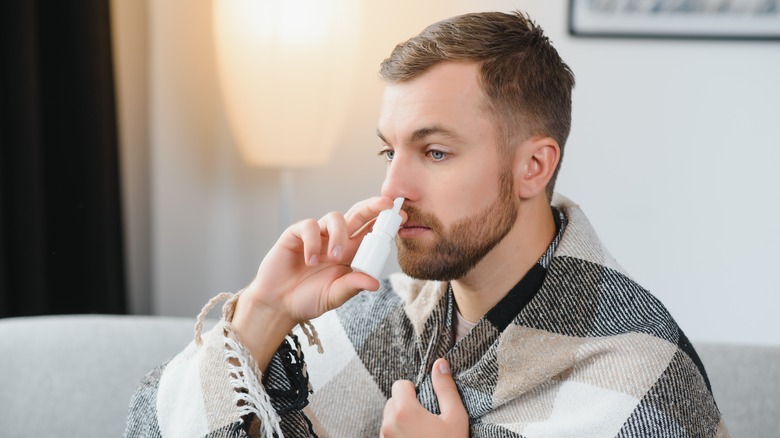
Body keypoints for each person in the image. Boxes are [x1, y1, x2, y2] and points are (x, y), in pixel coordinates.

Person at [125, 10, 727, 438]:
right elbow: (151, 429)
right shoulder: (389, 316)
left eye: (434, 152)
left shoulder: (639, 378)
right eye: (390, 152)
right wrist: (264, 313)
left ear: (534, 166)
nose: (393, 191)